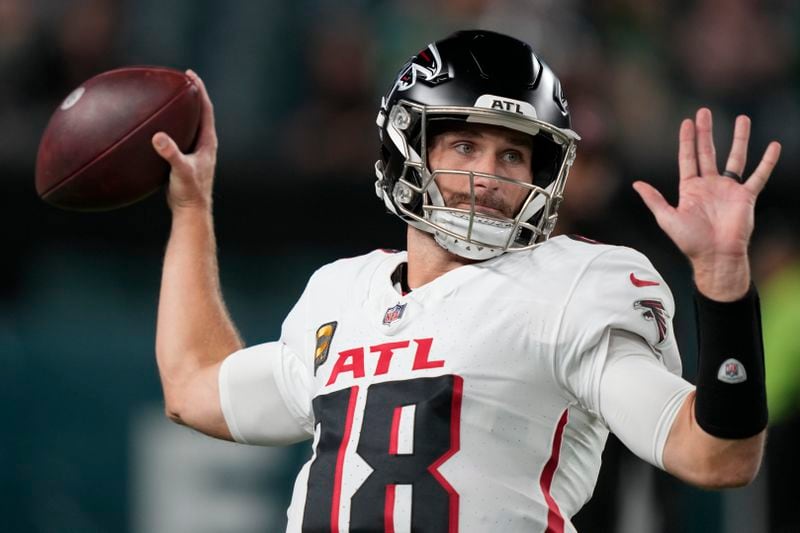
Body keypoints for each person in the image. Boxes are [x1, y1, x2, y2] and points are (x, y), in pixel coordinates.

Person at [150, 30, 781, 532]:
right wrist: (190, 206)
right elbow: (191, 387)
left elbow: (716, 455)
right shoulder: (341, 295)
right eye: (464, 147)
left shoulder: (572, 286)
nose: (490, 176)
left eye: (512, 155)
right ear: (409, 151)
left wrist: (723, 283)